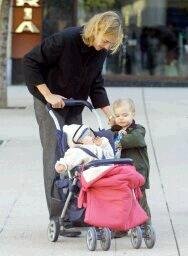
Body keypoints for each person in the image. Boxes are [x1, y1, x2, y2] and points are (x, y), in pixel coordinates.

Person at [23, 11, 123, 220]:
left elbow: (95, 82)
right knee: (56, 155)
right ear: (96, 30)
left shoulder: (100, 51)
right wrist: (48, 95)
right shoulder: (65, 39)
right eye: (105, 41)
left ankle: (76, 210)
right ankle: (58, 215)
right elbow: (30, 61)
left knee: (81, 154)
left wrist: (108, 113)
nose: (106, 47)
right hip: (49, 103)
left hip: (75, 105)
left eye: (110, 44)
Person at [111, 98, 151, 227]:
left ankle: (145, 226)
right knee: (122, 199)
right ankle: (122, 227)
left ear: (133, 114)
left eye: (125, 115)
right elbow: (107, 141)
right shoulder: (114, 132)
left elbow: (136, 139)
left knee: (140, 198)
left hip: (137, 170)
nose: (121, 118)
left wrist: (118, 141)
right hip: (121, 171)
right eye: (117, 116)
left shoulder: (138, 129)